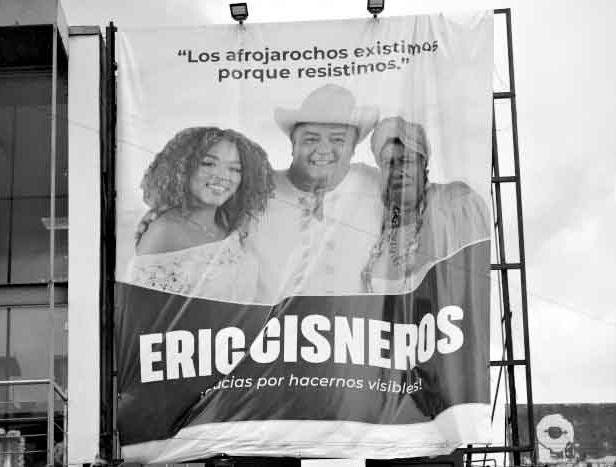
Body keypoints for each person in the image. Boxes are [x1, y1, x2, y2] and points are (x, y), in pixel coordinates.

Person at [249, 84, 382, 303]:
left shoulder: (378, 185)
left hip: (358, 323)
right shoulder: (255, 190)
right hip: (271, 324)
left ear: (353, 148)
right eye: (311, 139)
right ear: (293, 144)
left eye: (338, 139)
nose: (323, 150)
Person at [128, 126, 275, 302]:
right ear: (182, 168)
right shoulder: (165, 231)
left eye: (235, 169)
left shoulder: (233, 223)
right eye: (208, 164)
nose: (222, 176)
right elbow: (139, 309)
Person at [362, 116, 491, 293]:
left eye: (406, 161)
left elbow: (476, 283)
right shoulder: (378, 224)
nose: (397, 171)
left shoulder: (455, 203)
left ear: (423, 164)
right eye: (389, 163)